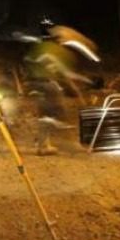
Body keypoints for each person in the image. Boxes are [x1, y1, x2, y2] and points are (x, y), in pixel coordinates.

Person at [22, 19, 101, 155]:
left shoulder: (40, 46)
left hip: (31, 83)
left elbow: (28, 60)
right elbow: (67, 74)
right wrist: (86, 81)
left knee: (46, 115)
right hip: (47, 84)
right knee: (59, 117)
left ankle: (43, 146)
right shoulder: (61, 52)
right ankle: (72, 145)